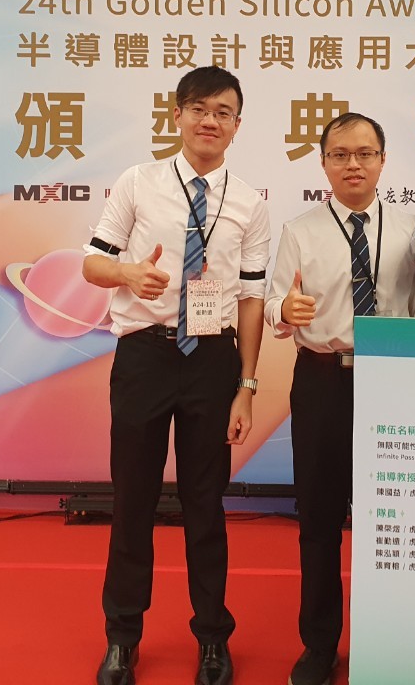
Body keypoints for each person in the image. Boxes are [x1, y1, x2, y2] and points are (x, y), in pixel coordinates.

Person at [83, 66, 271, 685]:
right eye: (198, 109)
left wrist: (246, 386)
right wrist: (129, 274)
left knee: (205, 505)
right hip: (145, 355)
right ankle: (122, 638)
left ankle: (212, 637)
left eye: (222, 112)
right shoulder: (138, 182)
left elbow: (251, 300)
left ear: (237, 125)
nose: (209, 121)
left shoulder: (249, 203)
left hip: (213, 362)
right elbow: (92, 264)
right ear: (177, 115)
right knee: (132, 500)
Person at [264, 113, 415, 685]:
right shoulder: (300, 231)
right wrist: (286, 311)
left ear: (383, 161)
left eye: (365, 153)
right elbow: (274, 306)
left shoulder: (411, 230)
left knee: (392, 517)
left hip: (393, 383)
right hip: (322, 381)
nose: (353, 165)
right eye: (339, 154)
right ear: (324, 164)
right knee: (318, 519)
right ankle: (319, 645)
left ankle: (386, 638)